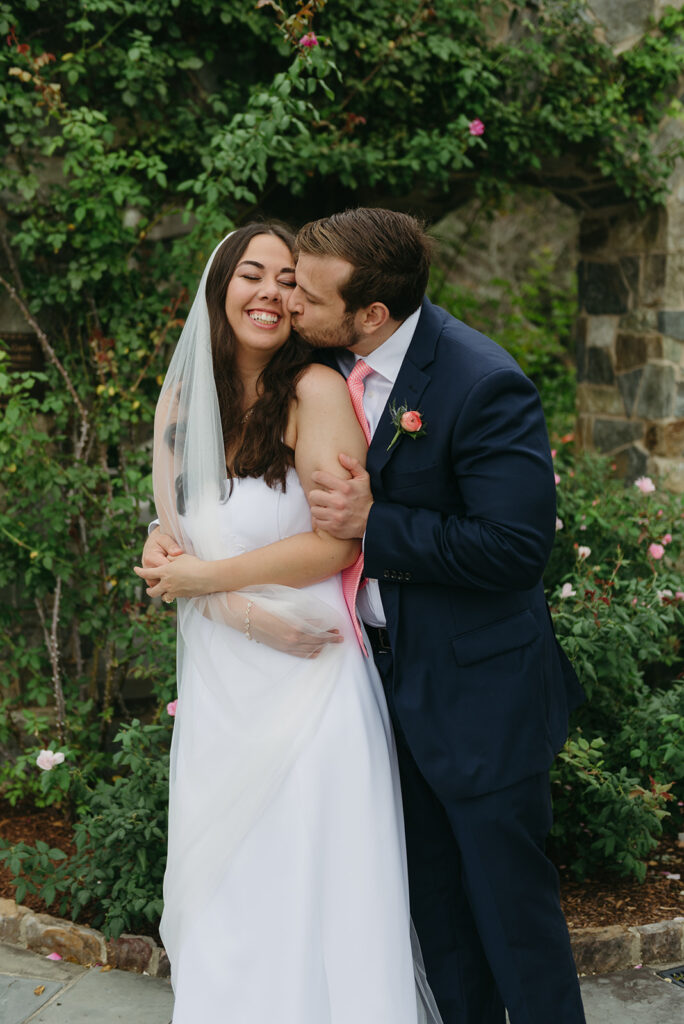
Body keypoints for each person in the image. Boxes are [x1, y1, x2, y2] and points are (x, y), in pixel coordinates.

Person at [135, 223, 443, 1024]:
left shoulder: (314, 392)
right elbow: (171, 535)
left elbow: (337, 541)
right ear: (221, 288)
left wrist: (207, 577)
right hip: (221, 680)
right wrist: (205, 585)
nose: (270, 293)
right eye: (252, 275)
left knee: (309, 875)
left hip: (308, 676)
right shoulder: (182, 399)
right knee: (228, 882)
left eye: (287, 281)